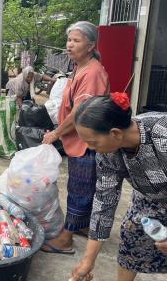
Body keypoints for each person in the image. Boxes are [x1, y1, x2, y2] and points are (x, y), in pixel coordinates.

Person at [70, 94, 167, 281]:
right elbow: (104, 202)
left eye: (92, 142)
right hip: (149, 199)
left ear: (115, 133)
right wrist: (88, 261)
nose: (91, 148)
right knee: (132, 234)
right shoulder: (108, 152)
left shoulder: (162, 134)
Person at [42, 21, 110, 254]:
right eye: (69, 40)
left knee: (79, 187)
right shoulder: (79, 67)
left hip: (88, 142)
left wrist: (56, 133)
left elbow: (80, 112)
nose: (70, 45)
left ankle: (66, 238)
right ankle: (81, 225)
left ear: (90, 45)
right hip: (78, 140)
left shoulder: (92, 73)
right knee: (83, 186)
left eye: (76, 40)